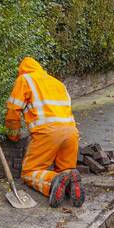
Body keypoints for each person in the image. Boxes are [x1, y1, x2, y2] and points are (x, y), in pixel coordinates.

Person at [5, 57, 83, 208]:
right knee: (65, 169)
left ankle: (53, 181)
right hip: (71, 132)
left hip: (47, 133)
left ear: (21, 70)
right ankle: (71, 182)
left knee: (29, 172)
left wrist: (12, 134)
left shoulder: (25, 79)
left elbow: (13, 110)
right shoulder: (58, 83)